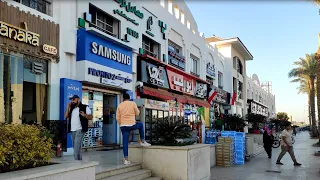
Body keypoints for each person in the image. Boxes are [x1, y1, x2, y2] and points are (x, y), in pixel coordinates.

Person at [116, 93, 151, 165]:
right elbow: (137, 113)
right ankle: (143, 141)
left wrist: (121, 123)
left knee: (125, 143)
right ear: (129, 98)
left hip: (123, 126)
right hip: (132, 124)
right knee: (141, 125)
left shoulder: (120, 105)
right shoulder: (133, 103)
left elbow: (117, 118)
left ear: (123, 99)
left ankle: (126, 160)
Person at [64, 95, 92, 160]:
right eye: (72, 100)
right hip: (72, 129)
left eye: (74, 99)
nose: (72, 101)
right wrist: (68, 108)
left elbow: (90, 117)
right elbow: (66, 116)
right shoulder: (72, 108)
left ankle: (76, 161)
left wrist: (84, 115)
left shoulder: (85, 107)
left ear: (78, 99)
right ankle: (79, 160)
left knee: (76, 145)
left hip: (80, 129)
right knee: (75, 145)